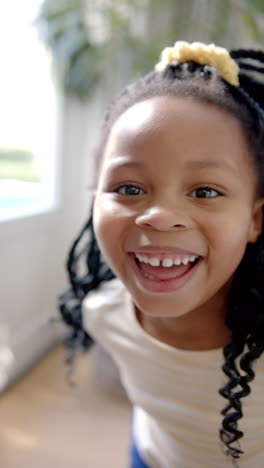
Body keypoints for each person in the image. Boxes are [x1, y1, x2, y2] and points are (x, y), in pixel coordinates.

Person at [59, 41, 264, 467]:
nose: (160, 217)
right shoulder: (104, 313)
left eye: (205, 191)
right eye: (129, 188)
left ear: (254, 219)